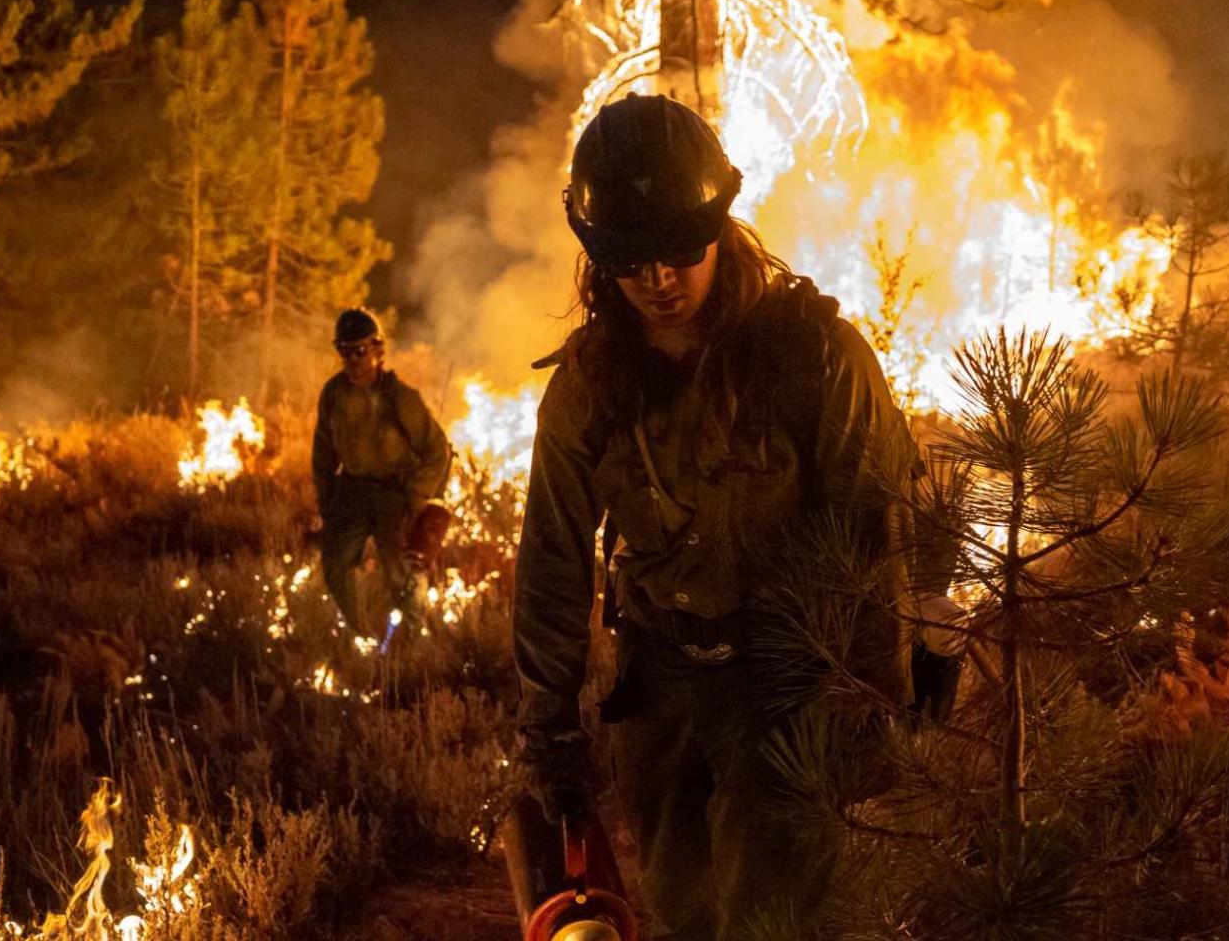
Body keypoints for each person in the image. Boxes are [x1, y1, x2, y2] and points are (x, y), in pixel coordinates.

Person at [512, 94, 920, 939]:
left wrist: (871, 701)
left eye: (678, 253)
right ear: (599, 260)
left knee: (771, 918)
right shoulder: (590, 387)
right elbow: (554, 555)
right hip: (658, 683)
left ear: (719, 228)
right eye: (631, 261)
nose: (658, 281)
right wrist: (548, 728)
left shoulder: (814, 356)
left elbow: (875, 530)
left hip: (785, 682)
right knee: (680, 907)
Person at [312, 308, 451, 641]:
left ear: (377, 350)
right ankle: (362, 636)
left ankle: (411, 649)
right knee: (335, 566)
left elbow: (437, 450)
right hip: (352, 492)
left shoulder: (401, 398)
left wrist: (417, 500)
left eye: (359, 351)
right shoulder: (334, 394)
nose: (352, 359)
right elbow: (323, 453)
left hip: (395, 495)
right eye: (344, 351)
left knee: (404, 576)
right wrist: (327, 503)